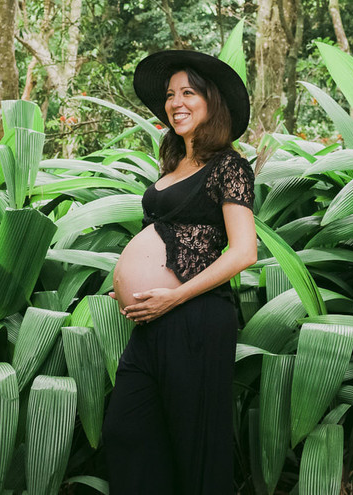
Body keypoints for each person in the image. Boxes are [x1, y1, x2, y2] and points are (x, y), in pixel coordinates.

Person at [103, 49, 258, 495]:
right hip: (152, 322)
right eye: (171, 95)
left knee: (195, 447)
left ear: (212, 102)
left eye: (188, 92)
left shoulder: (229, 166)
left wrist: (174, 295)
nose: (176, 102)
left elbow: (244, 252)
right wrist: (130, 286)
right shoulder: (173, 165)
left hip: (195, 319)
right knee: (128, 432)